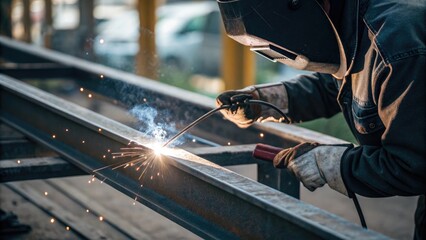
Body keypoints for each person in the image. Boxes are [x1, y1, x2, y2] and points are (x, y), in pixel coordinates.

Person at [215, 0, 425, 239]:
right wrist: (266, 100)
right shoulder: (352, 25)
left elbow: (412, 164)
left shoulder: (397, 46)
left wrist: (331, 162)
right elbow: (339, 86)